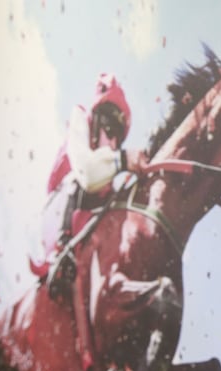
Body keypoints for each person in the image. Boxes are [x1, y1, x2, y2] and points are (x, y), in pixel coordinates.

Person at [36, 72, 148, 298]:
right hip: (60, 212)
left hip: (87, 218)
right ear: (95, 119)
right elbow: (87, 173)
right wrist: (125, 160)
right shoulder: (79, 118)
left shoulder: (108, 166)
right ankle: (61, 251)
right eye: (109, 128)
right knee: (76, 181)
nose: (113, 141)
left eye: (118, 135)